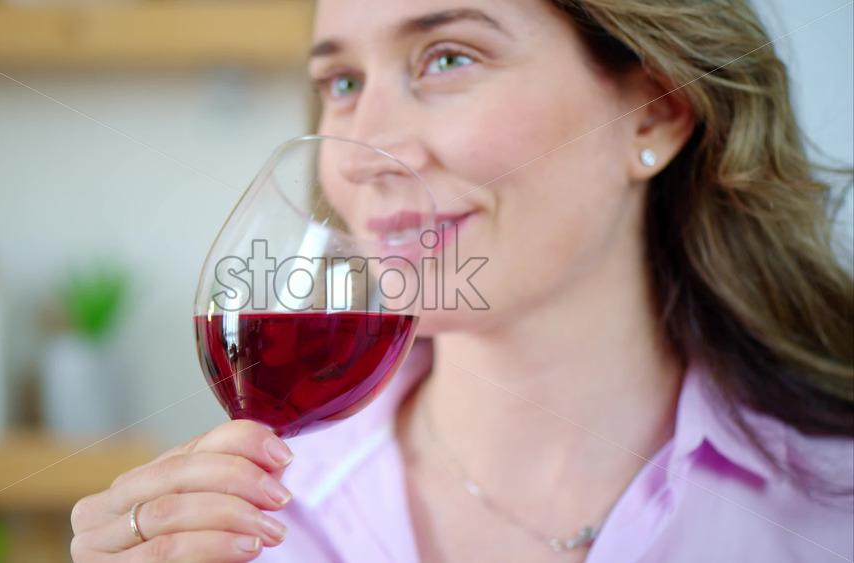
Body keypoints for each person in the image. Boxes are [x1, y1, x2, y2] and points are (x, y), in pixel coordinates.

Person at [70, 0, 854, 561]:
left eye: (448, 58)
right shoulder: (249, 523)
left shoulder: (833, 507)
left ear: (652, 113)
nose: (357, 152)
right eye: (342, 82)